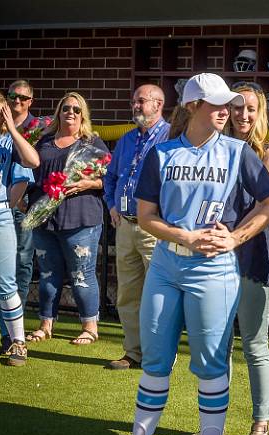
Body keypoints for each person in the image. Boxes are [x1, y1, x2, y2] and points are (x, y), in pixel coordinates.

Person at [95, 73, 269, 435]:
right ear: (194, 106)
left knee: (212, 364)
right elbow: (146, 217)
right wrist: (184, 235)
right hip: (166, 264)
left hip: (215, 269)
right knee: (156, 359)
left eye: (228, 104)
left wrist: (235, 237)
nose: (227, 111)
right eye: (217, 104)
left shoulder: (237, 152)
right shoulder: (161, 154)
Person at [182, 82, 269, 435]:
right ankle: (211, 424)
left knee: (255, 345)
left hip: (251, 254)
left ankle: (260, 427)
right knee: (216, 347)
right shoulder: (212, 151)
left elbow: (265, 204)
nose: (243, 115)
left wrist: (235, 238)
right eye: (236, 108)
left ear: (261, 114)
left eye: (250, 109)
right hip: (214, 258)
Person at [25, 92, 109, 345]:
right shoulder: (43, 141)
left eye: (76, 109)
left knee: (81, 274)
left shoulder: (92, 143)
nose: (70, 112)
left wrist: (87, 183)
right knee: (48, 273)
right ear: (59, 112)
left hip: (81, 217)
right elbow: (30, 171)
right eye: (65, 108)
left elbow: (109, 179)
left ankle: (90, 327)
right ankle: (46, 324)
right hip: (44, 216)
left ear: (83, 115)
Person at [103, 84, 170, 370]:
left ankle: (160, 354)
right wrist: (111, 204)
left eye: (141, 101)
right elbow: (110, 177)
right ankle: (133, 353)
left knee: (159, 294)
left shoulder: (171, 137)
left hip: (154, 227)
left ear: (159, 104)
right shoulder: (126, 139)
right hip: (125, 226)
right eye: (134, 102)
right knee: (127, 294)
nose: (136, 106)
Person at [0, 90, 40, 365]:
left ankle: (18, 342)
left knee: (6, 284)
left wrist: (14, 130)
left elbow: (33, 161)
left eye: (0, 113)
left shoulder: (7, 141)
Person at [0, 79, 44, 353]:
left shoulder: (38, 128)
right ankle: (0, 331)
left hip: (22, 208)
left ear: (30, 101)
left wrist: (19, 203)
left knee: (21, 267)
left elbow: (34, 165)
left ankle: (15, 330)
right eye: (12, 95)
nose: (17, 101)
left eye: (23, 97)